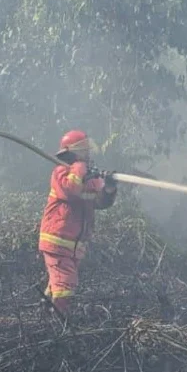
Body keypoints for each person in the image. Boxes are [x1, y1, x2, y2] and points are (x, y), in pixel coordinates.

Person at [38, 130, 117, 314]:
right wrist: (79, 168)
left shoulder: (88, 178)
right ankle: (60, 322)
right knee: (66, 284)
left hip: (73, 245)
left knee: (58, 283)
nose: (88, 155)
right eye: (84, 151)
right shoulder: (61, 172)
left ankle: (46, 315)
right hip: (57, 241)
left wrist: (109, 189)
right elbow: (72, 190)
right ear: (73, 153)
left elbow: (99, 202)